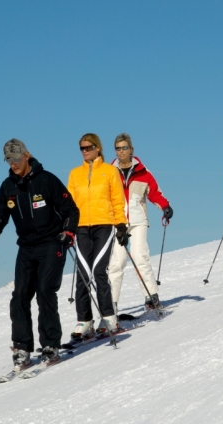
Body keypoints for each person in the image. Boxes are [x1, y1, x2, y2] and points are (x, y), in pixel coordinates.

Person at [0, 138, 79, 369]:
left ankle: (50, 345)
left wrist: (69, 232)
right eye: (8, 160)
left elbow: (70, 209)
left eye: (16, 158)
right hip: (26, 247)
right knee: (20, 296)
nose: (12, 163)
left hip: (53, 243)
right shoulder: (8, 187)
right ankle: (22, 348)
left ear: (27, 155)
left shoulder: (47, 180)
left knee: (45, 292)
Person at [66, 133, 127, 343]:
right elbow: (69, 205)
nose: (85, 151)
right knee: (83, 273)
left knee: (99, 271)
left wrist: (121, 224)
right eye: (82, 148)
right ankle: (85, 320)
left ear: (98, 148)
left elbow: (117, 199)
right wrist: (67, 228)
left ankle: (109, 318)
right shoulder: (75, 174)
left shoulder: (110, 172)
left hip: (105, 225)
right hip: (82, 227)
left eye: (88, 147)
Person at [108, 133, 173, 312]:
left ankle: (151, 296)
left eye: (124, 148)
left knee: (139, 256)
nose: (121, 152)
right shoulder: (109, 172)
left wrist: (165, 206)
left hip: (138, 220)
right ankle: (111, 304)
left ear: (131, 149)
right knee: (117, 261)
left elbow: (154, 193)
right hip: (116, 222)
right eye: (118, 148)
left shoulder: (143, 172)